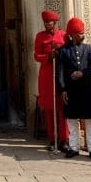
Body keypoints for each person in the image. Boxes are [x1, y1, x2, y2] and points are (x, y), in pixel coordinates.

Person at [56, 17, 91, 159]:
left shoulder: (87, 49)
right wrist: (62, 89)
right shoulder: (64, 51)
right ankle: (74, 147)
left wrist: (83, 72)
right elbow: (60, 72)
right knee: (71, 119)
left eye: (83, 33)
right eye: (79, 33)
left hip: (86, 88)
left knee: (90, 119)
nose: (82, 36)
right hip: (71, 90)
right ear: (72, 34)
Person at [34, 9, 69, 151]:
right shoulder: (40, 36)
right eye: (45, 22)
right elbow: (36, 55)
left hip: (61, 74)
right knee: (50, 109)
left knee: (62, 108)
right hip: (47, 75)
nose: (47, 25)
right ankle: (52, 138)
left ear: (55, 22)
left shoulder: (64, 36)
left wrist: (59, 53)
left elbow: (69, 53)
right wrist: (49, 56)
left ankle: (64, 139)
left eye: (49, 22)